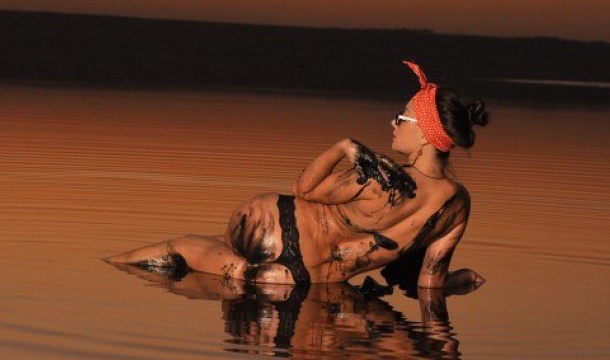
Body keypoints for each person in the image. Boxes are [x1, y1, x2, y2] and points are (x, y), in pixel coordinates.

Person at [104, 61, 488, 289]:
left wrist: (344, 146)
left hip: (275, 223)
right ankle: (241, 270)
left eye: (402, 117)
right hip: (303, 277)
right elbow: (430, 282)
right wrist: (463, 282)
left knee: (180, 246)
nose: (393, 122)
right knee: (228, 265)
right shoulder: (457, 204)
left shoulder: (383, 177)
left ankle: (109, 263)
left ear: (423, 133)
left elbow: (303, 188)